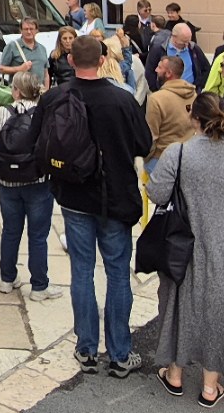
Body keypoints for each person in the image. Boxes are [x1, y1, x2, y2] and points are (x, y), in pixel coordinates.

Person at [44, 36, 153, 379]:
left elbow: (41, 144)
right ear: (104, 58)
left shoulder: (56, 97)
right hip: (116, 197)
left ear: (71, 61)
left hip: (75, 196)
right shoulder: (122, 99)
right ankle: (120, 353)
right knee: (118, 273)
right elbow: (144, 144)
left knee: (82, 272)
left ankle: (86, 347)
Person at [151, 94, 224, 408]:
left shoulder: (179, 153)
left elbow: (158, 193)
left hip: (183, 243)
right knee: (222, 312)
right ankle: (210, 386)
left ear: (194, 118)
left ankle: (174, 373)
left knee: (179, 305)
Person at [0, 71, 58, 299]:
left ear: (15, 91)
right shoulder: (43, 114)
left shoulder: (1, 113)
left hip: (7, 182)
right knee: (38, 235)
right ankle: (39, 286)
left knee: (10, 230)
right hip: (37, 181)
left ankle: (7, 278)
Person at [144, 55, 198, 164]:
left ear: (168, 73)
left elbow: (152, 134)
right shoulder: (194, 95)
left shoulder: (156, 99)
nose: (155, 70)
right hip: (188, 155)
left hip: (161, 157)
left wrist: (147, 159)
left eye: (159, 67)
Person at [0, 17, 50, 94]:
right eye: (26, 29)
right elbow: (1, 69)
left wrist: (46, 91)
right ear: (21, 30)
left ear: (36, 30)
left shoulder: (42, 48)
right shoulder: (12, 46)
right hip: (19, 94)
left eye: (31, 29)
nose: (29, 32)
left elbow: (46, 74)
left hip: (39, 93)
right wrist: (20, 68)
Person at [48, 25, 78, 89]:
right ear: (60, 40)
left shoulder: (81, 54)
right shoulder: (54, 56)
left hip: (78, 89)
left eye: (70, 38)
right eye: (64, 38)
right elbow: (48, 75)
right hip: (62, 90)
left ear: (75, 38)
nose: (67, 41)